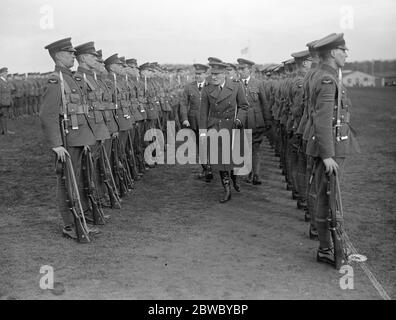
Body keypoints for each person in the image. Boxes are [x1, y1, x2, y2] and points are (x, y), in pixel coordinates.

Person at [306, 33, 359, 266]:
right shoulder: (327, 79)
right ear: (333, 53)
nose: (346, 54)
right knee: (328, 200)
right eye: (343, 50)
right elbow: (323, 119)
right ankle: (326, 249)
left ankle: (327, 247)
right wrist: (327, 155)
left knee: (327, 197)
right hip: (330, 149)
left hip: (330, 146)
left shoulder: (322, 75)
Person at [39, 37, 99, 241]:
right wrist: (56, 145)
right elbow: (47, 115)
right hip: (66, 141)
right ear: (58, 56)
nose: (74, 55)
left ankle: (79, 221)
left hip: (78, 138)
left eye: (74, 53)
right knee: (66, 182)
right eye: (69, 53)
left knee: (78, 181)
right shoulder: (56, 80)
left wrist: (87, 138)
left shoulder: (71, 78)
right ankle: (69, 225)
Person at [199, 61, 248, 203]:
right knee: (220, 160)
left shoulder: (236, 86)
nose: (213, 77)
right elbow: (203, 113)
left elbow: (244, 106)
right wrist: (203, 132)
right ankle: (226, 188)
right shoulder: (207, 89)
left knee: (232, 158)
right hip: (215, 127)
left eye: (217, 74)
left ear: (225, 74)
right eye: (212, 74)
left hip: (232, 126)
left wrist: (239, 119)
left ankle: (234, 178)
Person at [237, 58, 271, 185]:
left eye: (243, 69)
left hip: (256, 122)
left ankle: (256, 174)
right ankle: (249, 172)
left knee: (256, 148)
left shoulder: (258, 83)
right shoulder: (235, 84)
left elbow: (264, 103)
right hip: (241, 122)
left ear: (249, 70)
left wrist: (267, 121)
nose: (240, 72)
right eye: (239, 69)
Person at [179, 63, 213, 181]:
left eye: (200, 74)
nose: (198, 76)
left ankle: (209, 167)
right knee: (200, 145)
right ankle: (206, 168)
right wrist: (185, 119)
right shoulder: (189, 87)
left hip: (208, 121)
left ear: (205, 74)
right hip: (194, 121)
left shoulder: (211, 86)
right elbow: (183, 103)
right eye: (196, 74)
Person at [0, 67, 15, 135]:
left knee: (4, 116)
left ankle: (4, 130)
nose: (7, 74)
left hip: (7, 101)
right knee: (3, 116)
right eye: (6, 72)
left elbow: (9, 91)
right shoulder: (0, 82)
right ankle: (4, 131)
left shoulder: (5, 81)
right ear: (2, 73)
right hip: (2, 102)